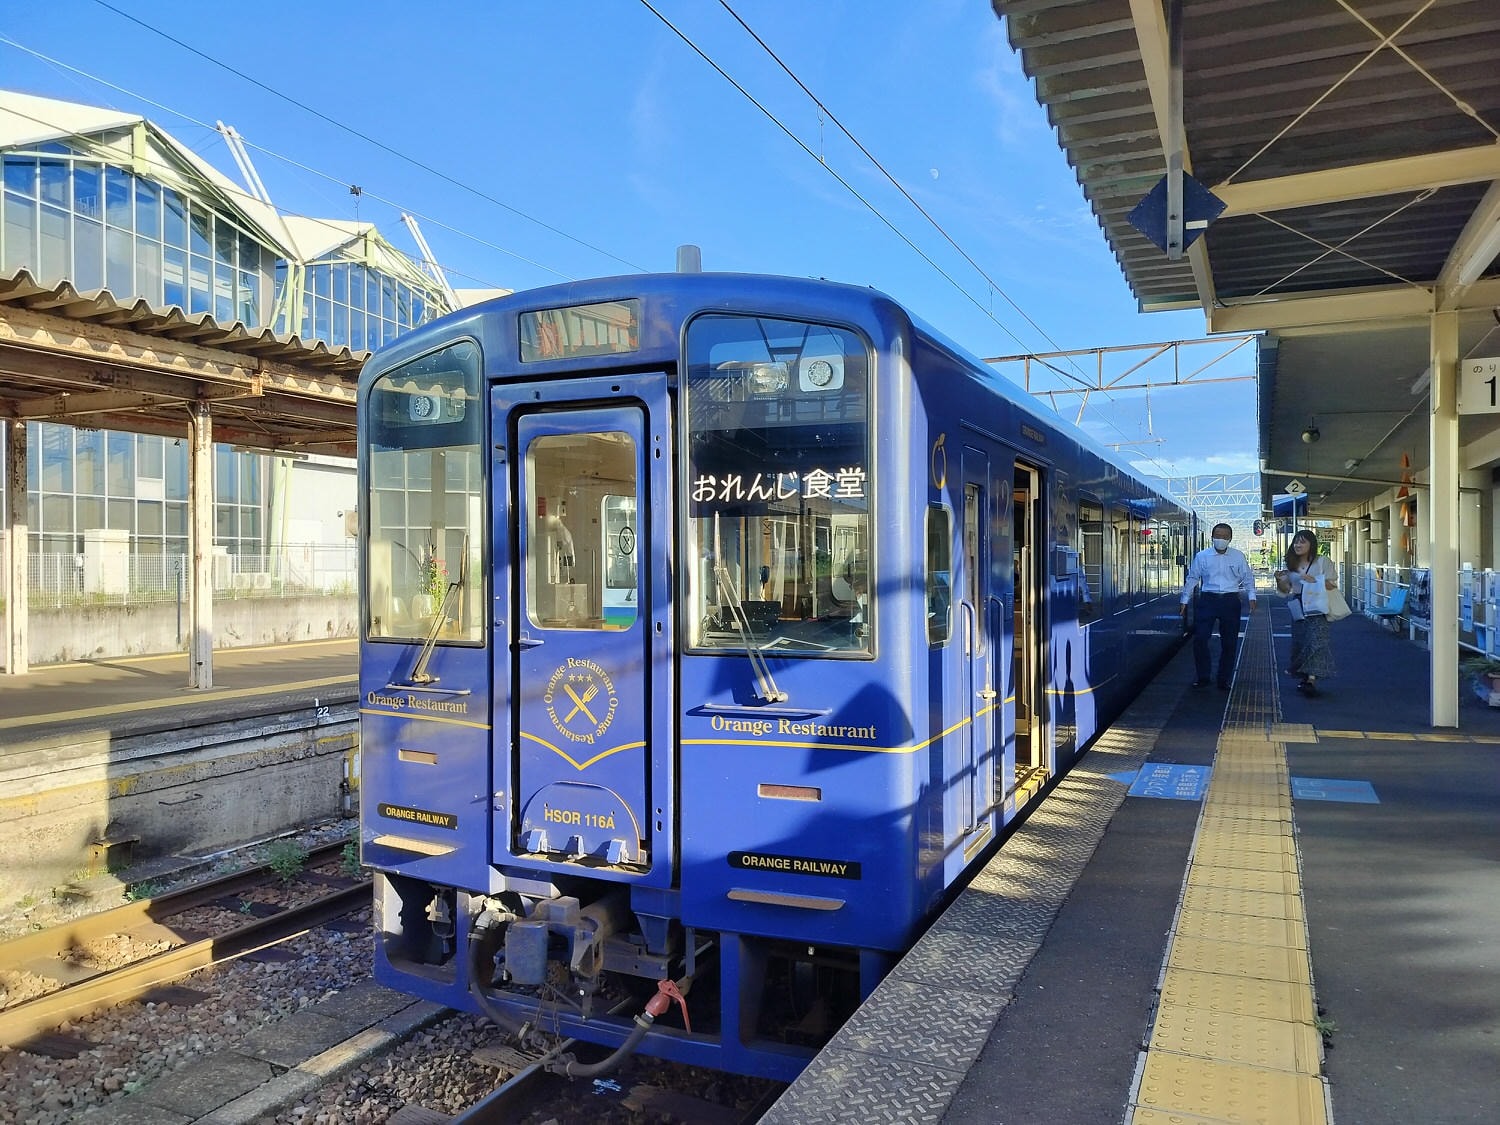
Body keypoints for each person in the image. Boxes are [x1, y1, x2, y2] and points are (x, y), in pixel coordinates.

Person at [1179, 522, 1257, 690]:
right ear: (1212, 537)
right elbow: (1193, 578)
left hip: (1230, 601)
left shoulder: (1238, 556)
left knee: (1229, 642)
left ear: (1230, 538)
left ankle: (1224, 678)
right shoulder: (1202, 556)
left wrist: (1252, 596)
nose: (1220, 539)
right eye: (1217, 536)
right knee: (1200, 638)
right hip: (1208, 600)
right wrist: (1185, 599)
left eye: (1224, 536)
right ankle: (1203, 676)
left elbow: (1248, 577)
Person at [1275, 528, 1337, 697]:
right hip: (1298, 604)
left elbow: (1332, 585)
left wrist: (1315, 580)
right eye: (1296, 541)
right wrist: (1279, 580)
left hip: (1318, 605)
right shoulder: (1291, 565)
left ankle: (1311, 679)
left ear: (1312, 544)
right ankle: (1303, 676)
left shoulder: (1322, 561)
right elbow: (1285, 591)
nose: (1298, 545)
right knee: (1301, 642)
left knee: (1317, 642)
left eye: (1302, 541)